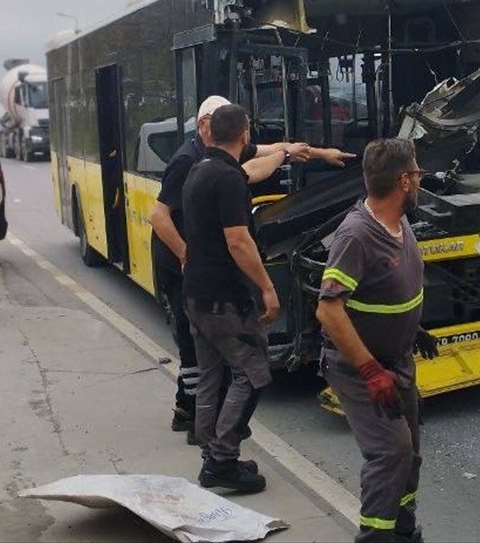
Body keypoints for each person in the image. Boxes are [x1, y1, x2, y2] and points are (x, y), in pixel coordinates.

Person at [148, 95, 355, 442]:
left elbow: (269, 155)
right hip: (187, 270)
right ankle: (210, 436)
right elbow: (167, 219)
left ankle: (204, 435)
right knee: (234, 365)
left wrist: (318, 154)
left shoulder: (213, 164)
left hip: (201, 278)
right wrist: (188, 257)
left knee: (212, 364)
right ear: (207, 127)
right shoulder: (190, 162)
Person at [316, 138, 439, 543]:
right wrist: (370, 370)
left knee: (411, 453)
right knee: (391, 452)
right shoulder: (356, 236)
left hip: (398, 360)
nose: (420, 180)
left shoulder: (399, 221)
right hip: (360, 369)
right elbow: (329, 310)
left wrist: (410, 327)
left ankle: (404, 532)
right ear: (404, 181)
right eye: (417, 173)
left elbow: (387, 290)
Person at [181, 104, 280, 493]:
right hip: (224, 297)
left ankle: (212, 453)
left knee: (211, 375)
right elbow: (238, 240)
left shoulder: (199, 170)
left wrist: (286, 152)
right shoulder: (228, 178)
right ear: (244, 133)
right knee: (252, 372)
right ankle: (223, 460)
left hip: (196, 293)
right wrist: (267, 287)